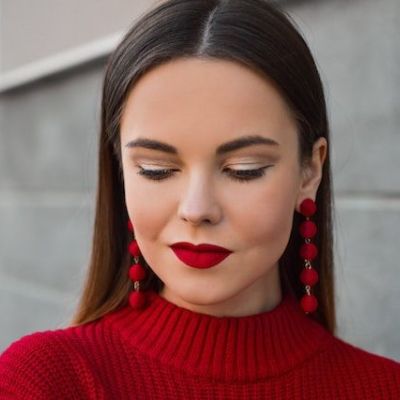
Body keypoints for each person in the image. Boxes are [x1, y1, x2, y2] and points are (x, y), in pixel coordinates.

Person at [1, 0, 399, 398]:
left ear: (309, 171)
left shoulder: (382, 388)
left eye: (244, 169)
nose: (196, 210)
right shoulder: (44, 382)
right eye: (156, 170)